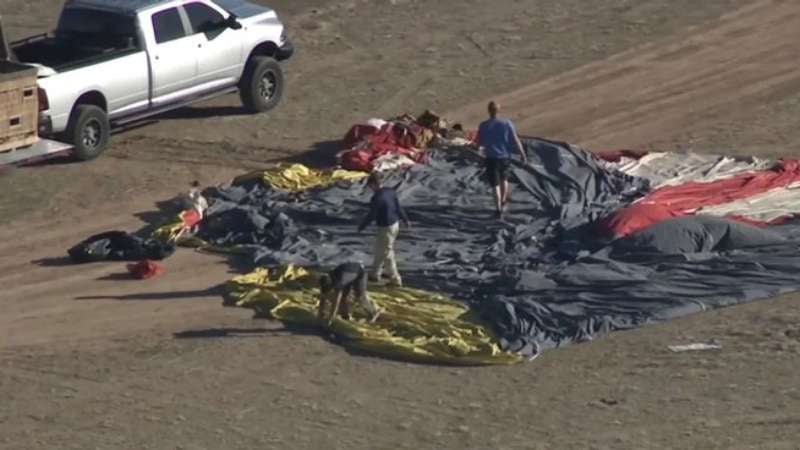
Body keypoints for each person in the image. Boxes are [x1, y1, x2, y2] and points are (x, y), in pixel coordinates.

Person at [476, 101, 527, 218]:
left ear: (488, 111)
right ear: (499, 110)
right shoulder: (507, 123)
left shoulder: (483, 125)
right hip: (504, 157)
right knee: (504, 179)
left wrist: (479, 152)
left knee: (495, 185)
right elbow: (516, 139)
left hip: (491, 158)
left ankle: (498, 208)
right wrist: (522, 154)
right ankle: (503, 200)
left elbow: (479, 143)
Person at [358, 173, 410, 287]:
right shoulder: (390, 192)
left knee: (386, 252)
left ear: (373, 185)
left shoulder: (377, 198)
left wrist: (362, 225)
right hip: (395, 224)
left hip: (385, 227)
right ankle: (375, 273)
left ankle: (395, 278)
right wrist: (405, 220)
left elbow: (372, 214)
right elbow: (398, 207)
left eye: (370, 186)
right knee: (381, 249)